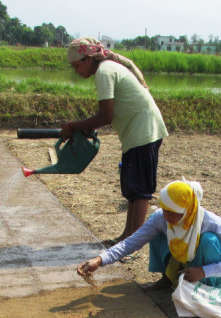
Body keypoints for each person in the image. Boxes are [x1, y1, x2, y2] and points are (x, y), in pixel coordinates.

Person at [61, 36, 168, 244]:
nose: (76, 70)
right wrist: (86, 127)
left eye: (76, 65)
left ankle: (133, 245)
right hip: (135, 133)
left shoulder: (104, 72)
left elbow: (106, 116)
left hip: (144, 131)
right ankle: (127, 237)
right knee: (132, 189)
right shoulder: (106, 70)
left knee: (141, 191)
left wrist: (73, 126)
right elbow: (108, 113)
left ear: (89, 59)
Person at [77, 179, 221, 291]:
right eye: (164, 209)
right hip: (187, 266)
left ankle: (205, 291)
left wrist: (204, 271)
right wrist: (99, 260)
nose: (166, 216)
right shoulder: (161, 218)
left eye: (172, 212)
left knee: (209, 240)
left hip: (212, 277)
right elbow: (132, 243)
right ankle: (167, 278)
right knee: (157, 230)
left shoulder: (211, 223)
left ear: (187, 211)